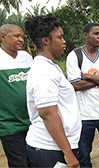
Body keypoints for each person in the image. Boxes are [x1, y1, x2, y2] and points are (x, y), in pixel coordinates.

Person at [25, 15, 81, 168]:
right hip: (49, 150)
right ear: (46, 41)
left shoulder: (49, 66)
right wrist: (68, 153)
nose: (64, 41)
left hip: (54, 147)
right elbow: (47, 113)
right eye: (60, 37)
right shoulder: (43, 71)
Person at [66, 23, 99, 168]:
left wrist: (89, 77)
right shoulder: (75, 56)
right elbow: (75, 85)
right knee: (84, 155)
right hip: (84, 116)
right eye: (95, 33)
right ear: (86, 35)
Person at [0, 24, 32, 168]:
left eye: (22, 37)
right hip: (10, 126)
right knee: (19, 164)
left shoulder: (26, 57)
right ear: (2, 37)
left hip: (33, 123)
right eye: (16, 36)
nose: (21, 40)